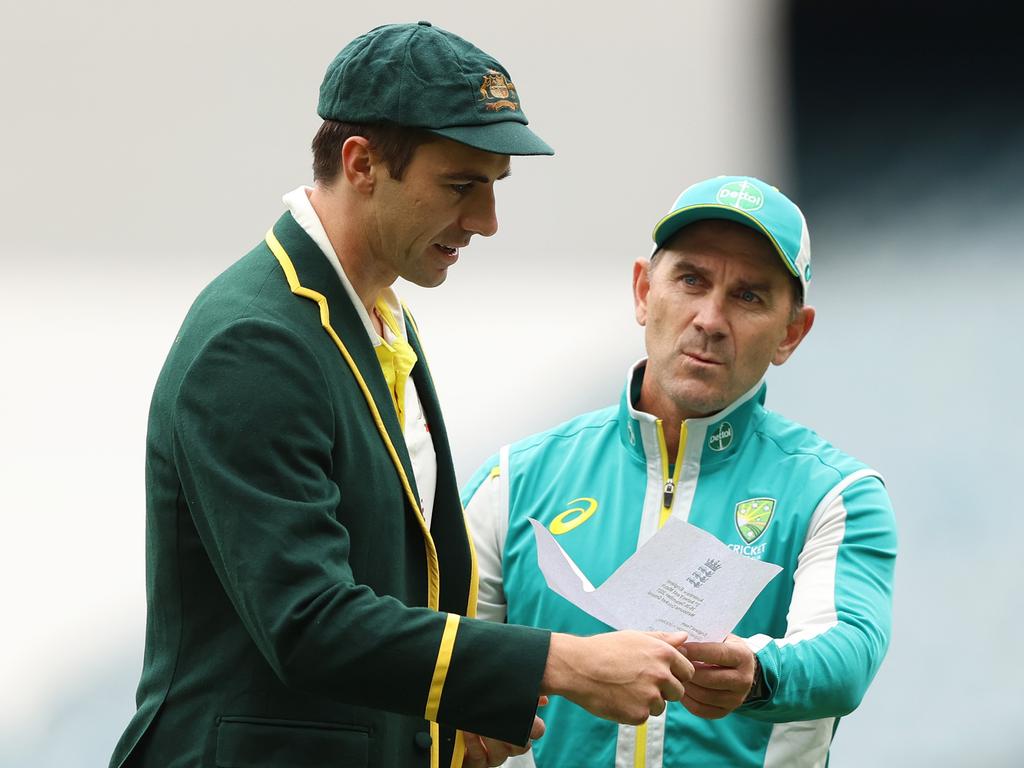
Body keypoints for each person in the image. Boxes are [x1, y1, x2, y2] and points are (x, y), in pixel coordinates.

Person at [108, 22, 696, 768]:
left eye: (493, 187)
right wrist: (560, 663)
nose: (486, 221)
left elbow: (391, 601)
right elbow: (311, 623)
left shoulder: (378, 313)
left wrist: (452, 725)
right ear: (361, 164)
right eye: (460, 186)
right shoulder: (252, 343)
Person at [463, 175, 898, 768]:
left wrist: (758, 673)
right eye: (691, 279)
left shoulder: (835, 494)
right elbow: (449, 660)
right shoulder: (511, 483)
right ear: (644, 290)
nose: (710, 318)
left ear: (791, 333)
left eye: (749, 296)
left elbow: (848, 653)